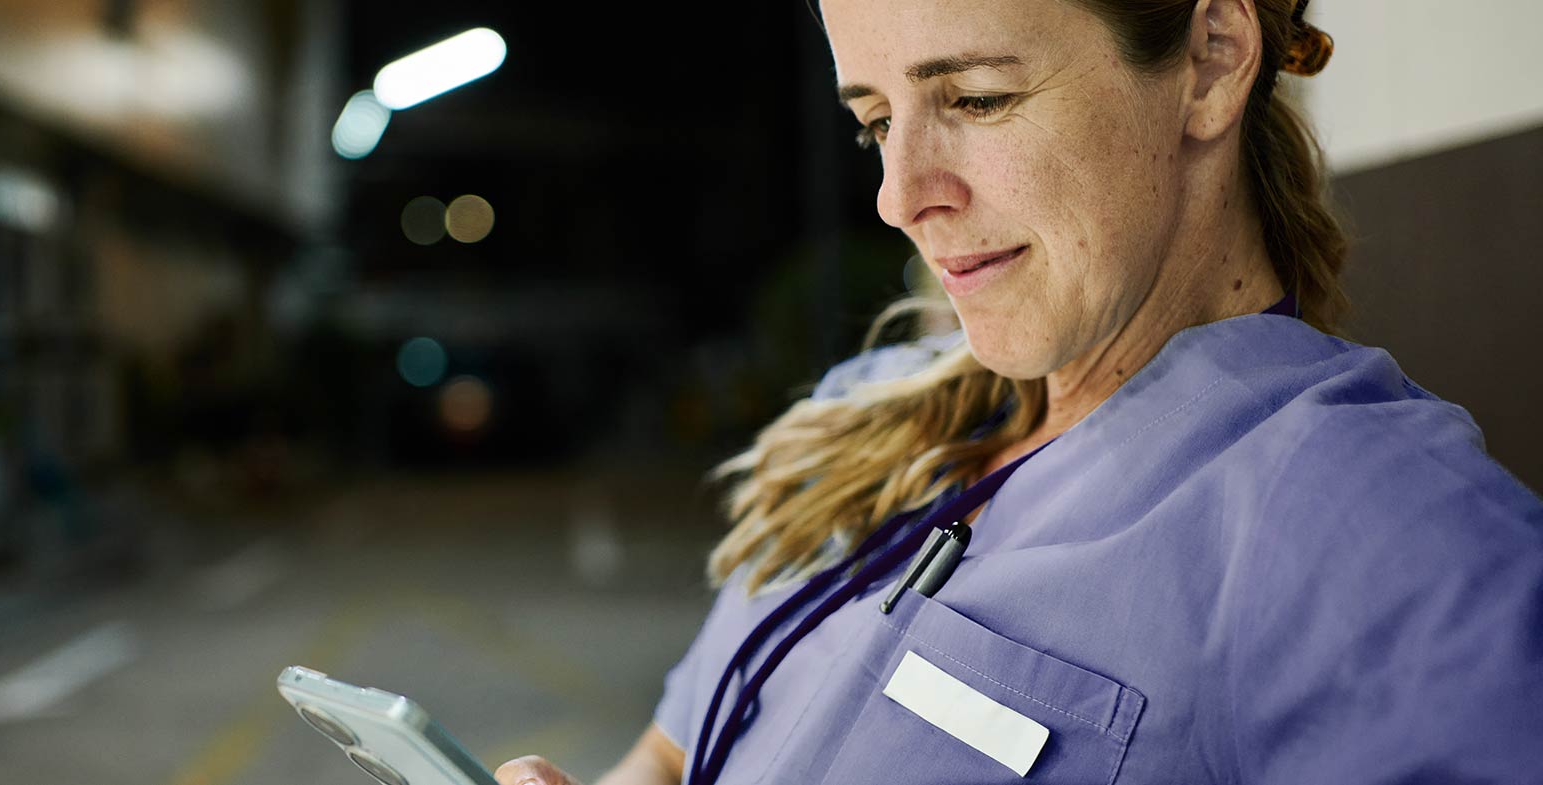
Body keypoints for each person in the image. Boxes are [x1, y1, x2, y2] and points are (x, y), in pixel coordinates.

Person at [497, 0, 1543, 782]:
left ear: (1211, 61)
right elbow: (675, 753)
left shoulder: (1367, 525)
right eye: (875, 120)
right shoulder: (858, 426)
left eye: (978, 99)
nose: (900, 195)